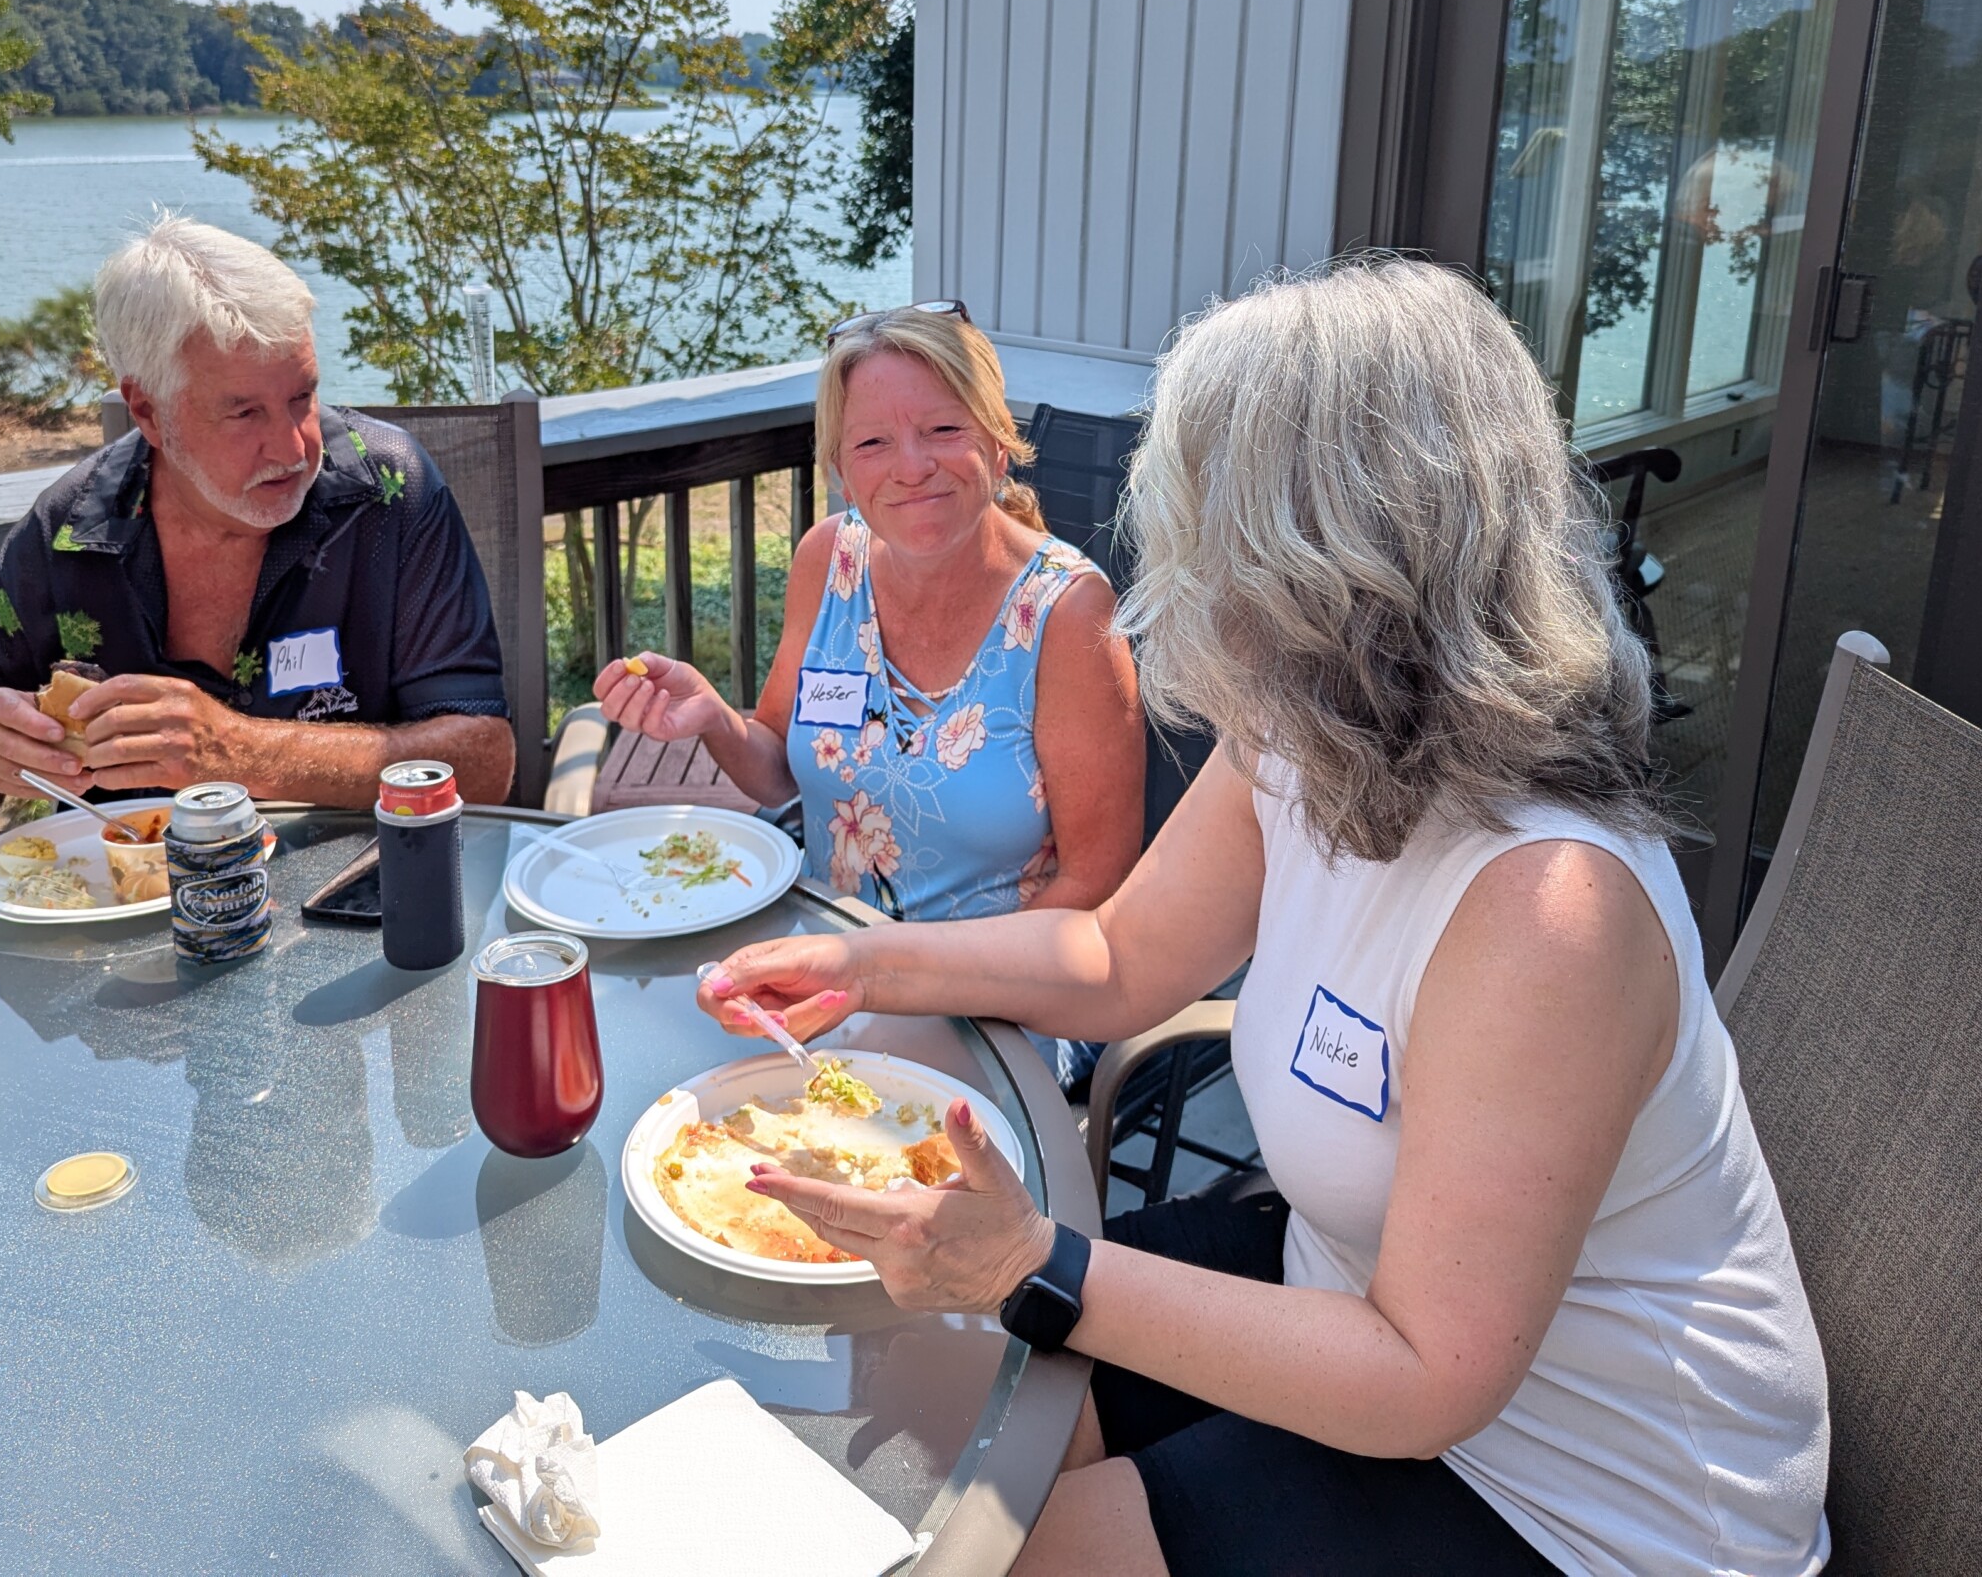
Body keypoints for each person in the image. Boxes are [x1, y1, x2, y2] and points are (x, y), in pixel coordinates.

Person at [694, 259, 1833, 1577]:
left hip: (1577, 1497)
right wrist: (861, 959)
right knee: (947, 1402)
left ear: (1326, 551)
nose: (1173, 565)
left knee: (994, 1547)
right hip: (1337, 1294)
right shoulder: (1303, 735)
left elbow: (1424, 1382)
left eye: (1203, 518)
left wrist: (1033, 1259)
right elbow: (1117, 955)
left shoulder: (1547, 908)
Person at [0, 215, 514, 827]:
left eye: (302, 397)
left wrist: (237, 752)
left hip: (356, 902)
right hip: (127, 911)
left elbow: (484, 761)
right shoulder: (71, 529)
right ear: (148, 412)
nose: (294, 449)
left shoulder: (387, 492)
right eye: (245, 413)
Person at [593, 301, 1143, 920]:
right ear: (844, 474)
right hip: (824, 966)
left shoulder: (1068, 615)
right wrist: (714, 718)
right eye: (874, 442)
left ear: (997, 446)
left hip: (989, 1001)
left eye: (943, 430)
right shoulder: (829, 560)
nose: (911, 468)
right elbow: (780, 773)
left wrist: (909, 981)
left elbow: (1096, 884)